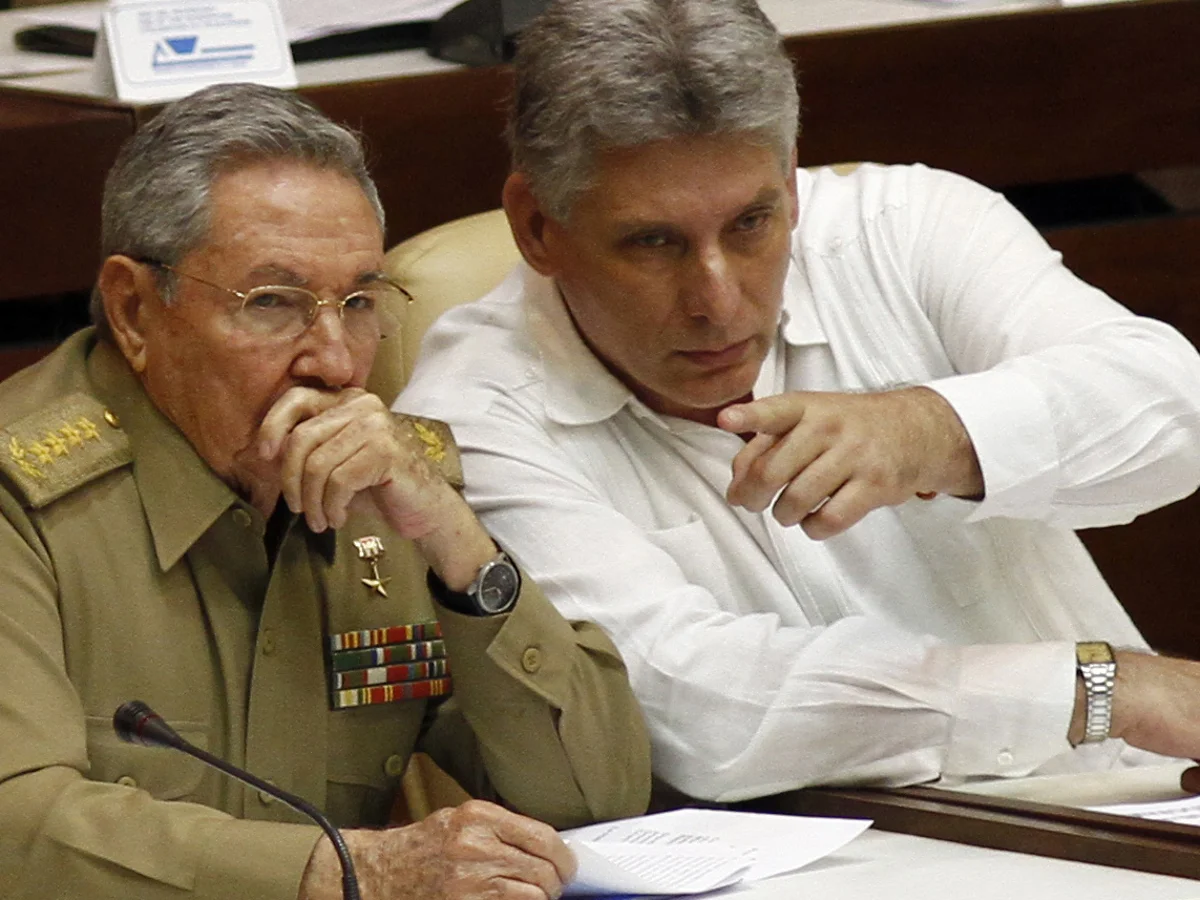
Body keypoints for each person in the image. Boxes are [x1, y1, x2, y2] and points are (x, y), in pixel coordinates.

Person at [398, 0, 1200, 804]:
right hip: (820, 860)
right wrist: (1094, 690)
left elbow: (1175, 409)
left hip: (1134, 800)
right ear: (536, 226)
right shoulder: (472, 414)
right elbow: (688, 708)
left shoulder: (902, 228)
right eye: (654, 242)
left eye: (751, 223)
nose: (718, 302)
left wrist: (934, 431)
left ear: (790, 182)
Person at [0, 82, 650, 900]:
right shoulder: (19, 501)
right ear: (135, 310)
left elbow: (597, 797)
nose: (338, 363)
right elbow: (15, 827)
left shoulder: (391, 497)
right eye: (273, 303)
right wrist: (349, 873)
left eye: (359, 302)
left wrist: (460, 549)